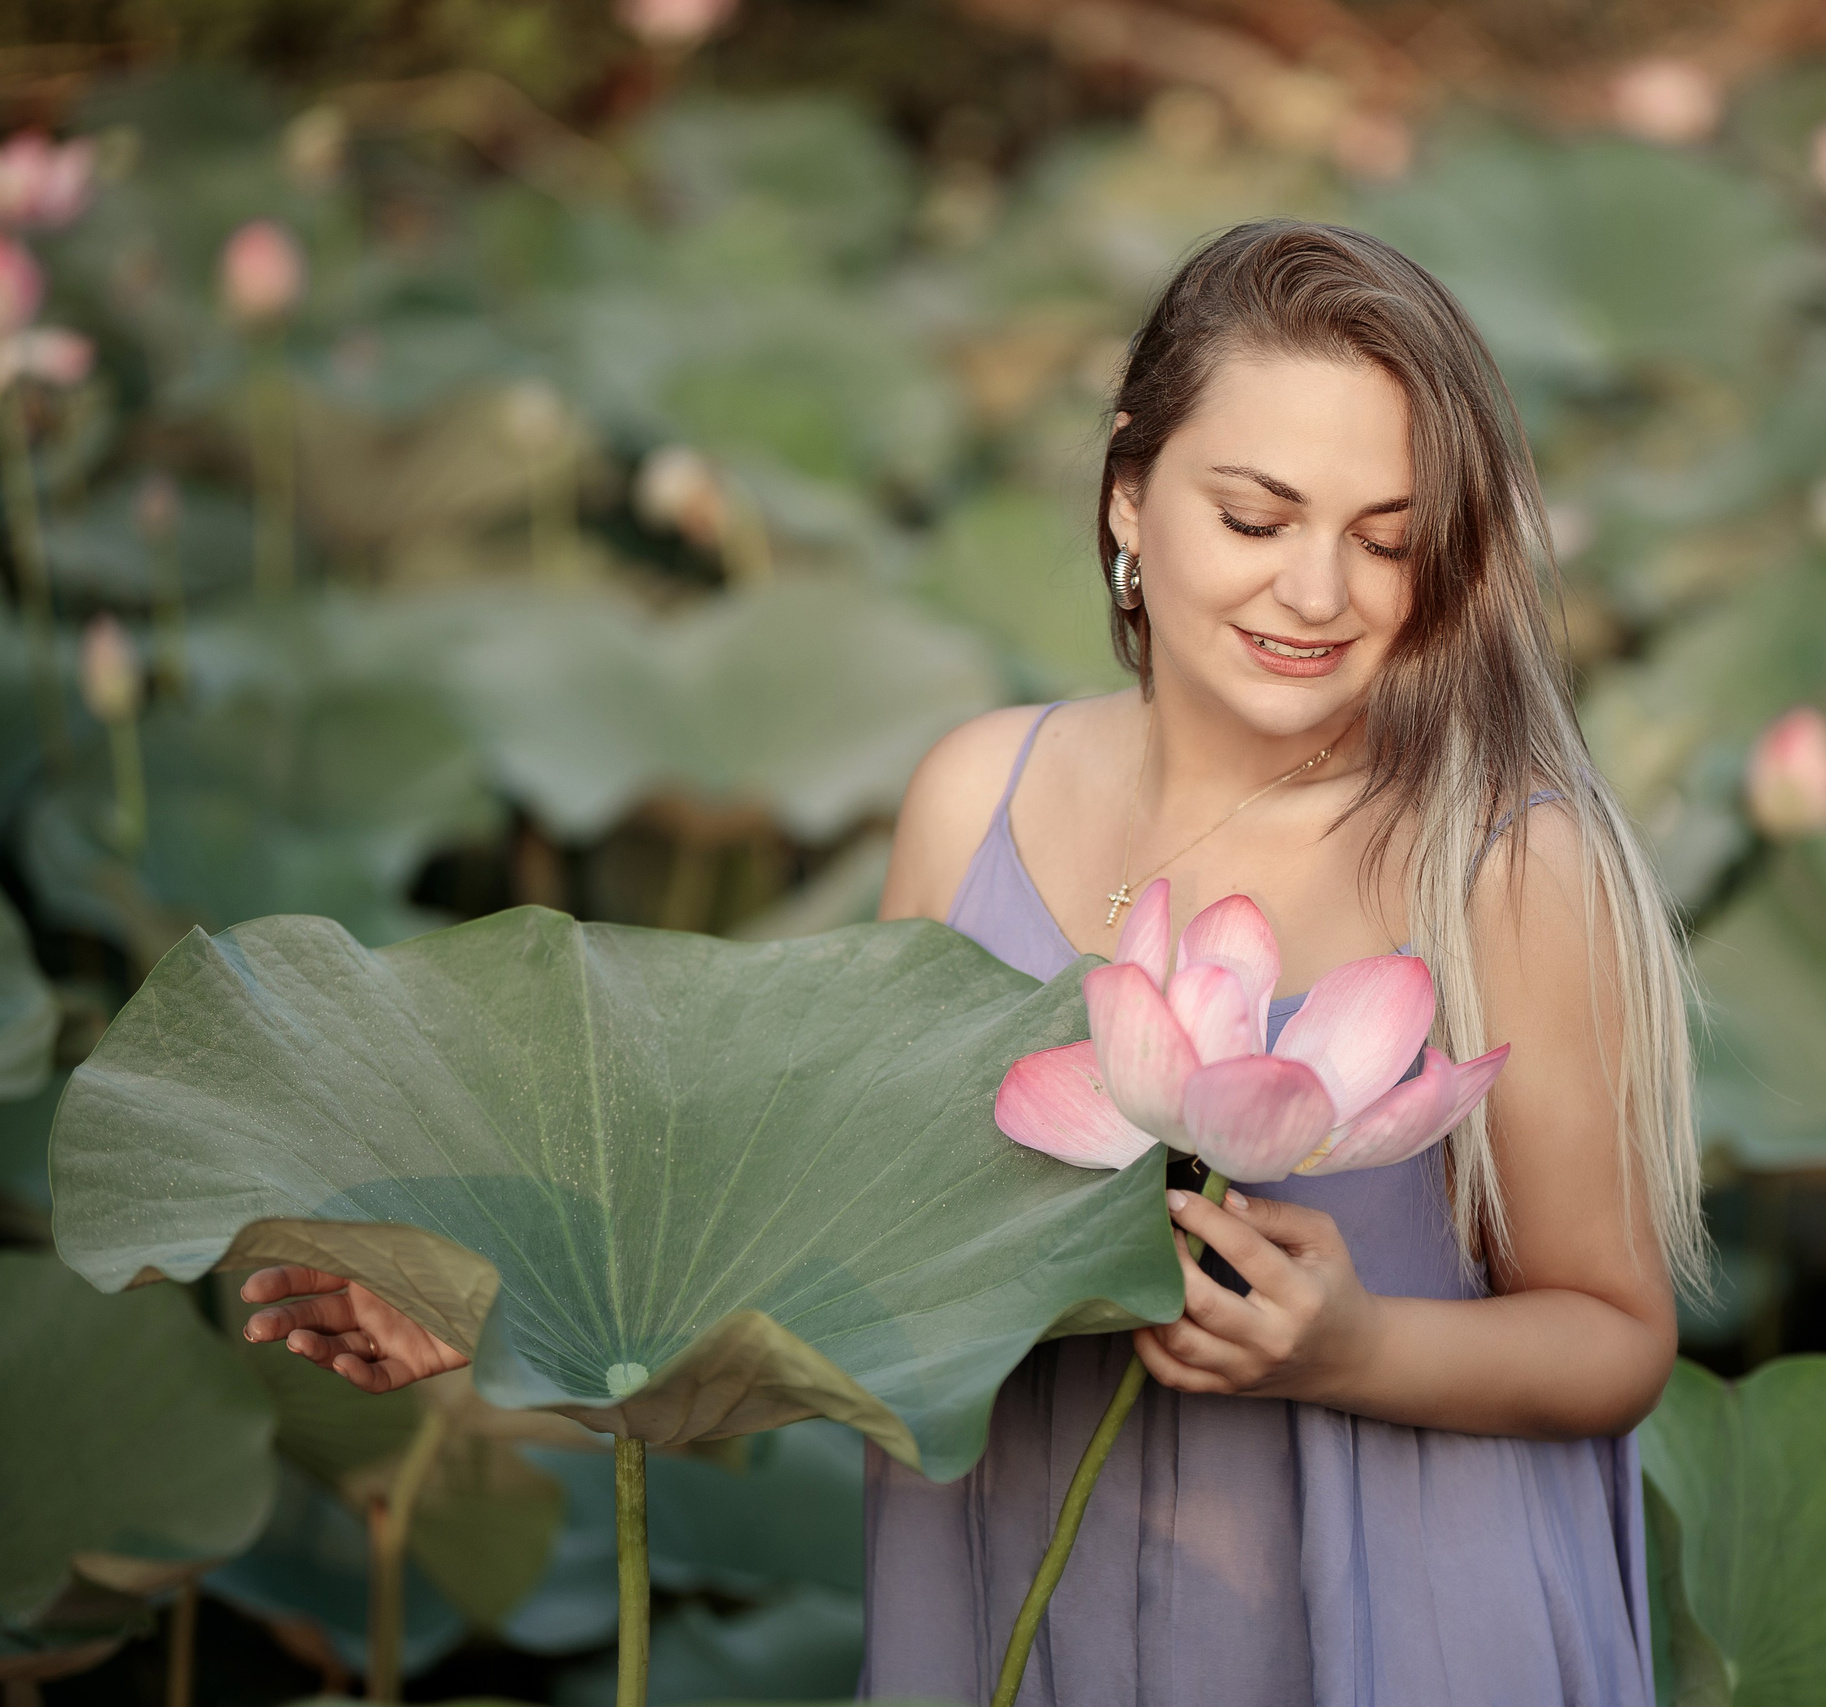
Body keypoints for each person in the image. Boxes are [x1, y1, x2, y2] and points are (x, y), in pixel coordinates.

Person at [241, 220, 1704, 1707]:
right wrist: (504, 1312)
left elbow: (1617, 1338)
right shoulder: (975, 796)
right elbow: (850, 1260)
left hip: (1384, 1622)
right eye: (1258, 519)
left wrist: (1351, 1348)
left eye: (1384, 540)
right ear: (1130, 494)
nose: (1318, 594)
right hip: (1012, 1590)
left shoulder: (1502, 862)